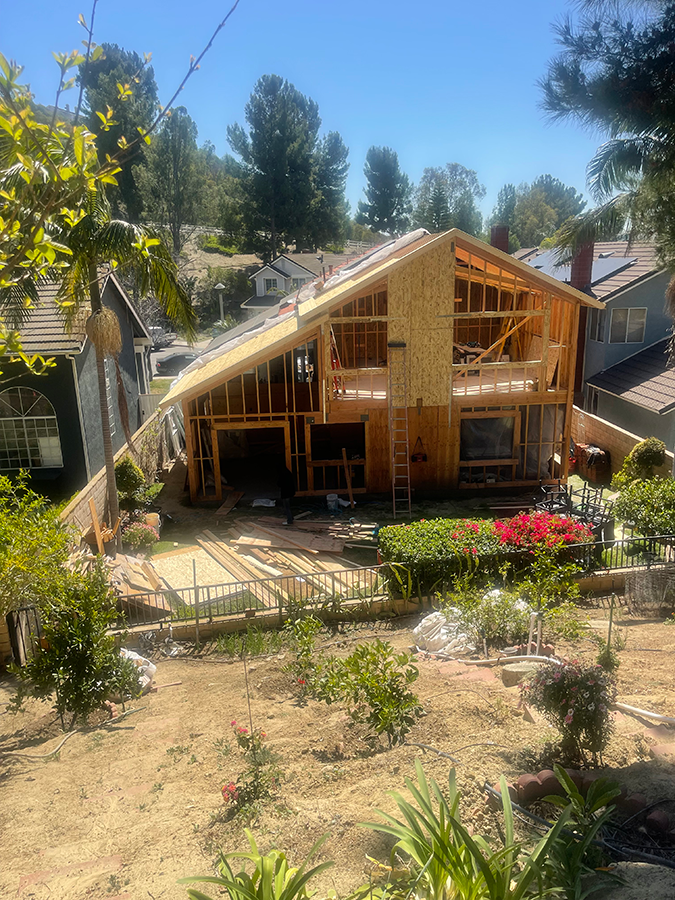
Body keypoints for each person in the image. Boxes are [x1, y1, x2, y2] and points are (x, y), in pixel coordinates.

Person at [277, 461, 295, 525]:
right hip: (290, 492)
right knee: (289, 507)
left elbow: (279, 483)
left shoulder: (282, 474)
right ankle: (291, 518)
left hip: (285, 493)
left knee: (287, 508)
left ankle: (289, 521)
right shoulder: (288, 473)